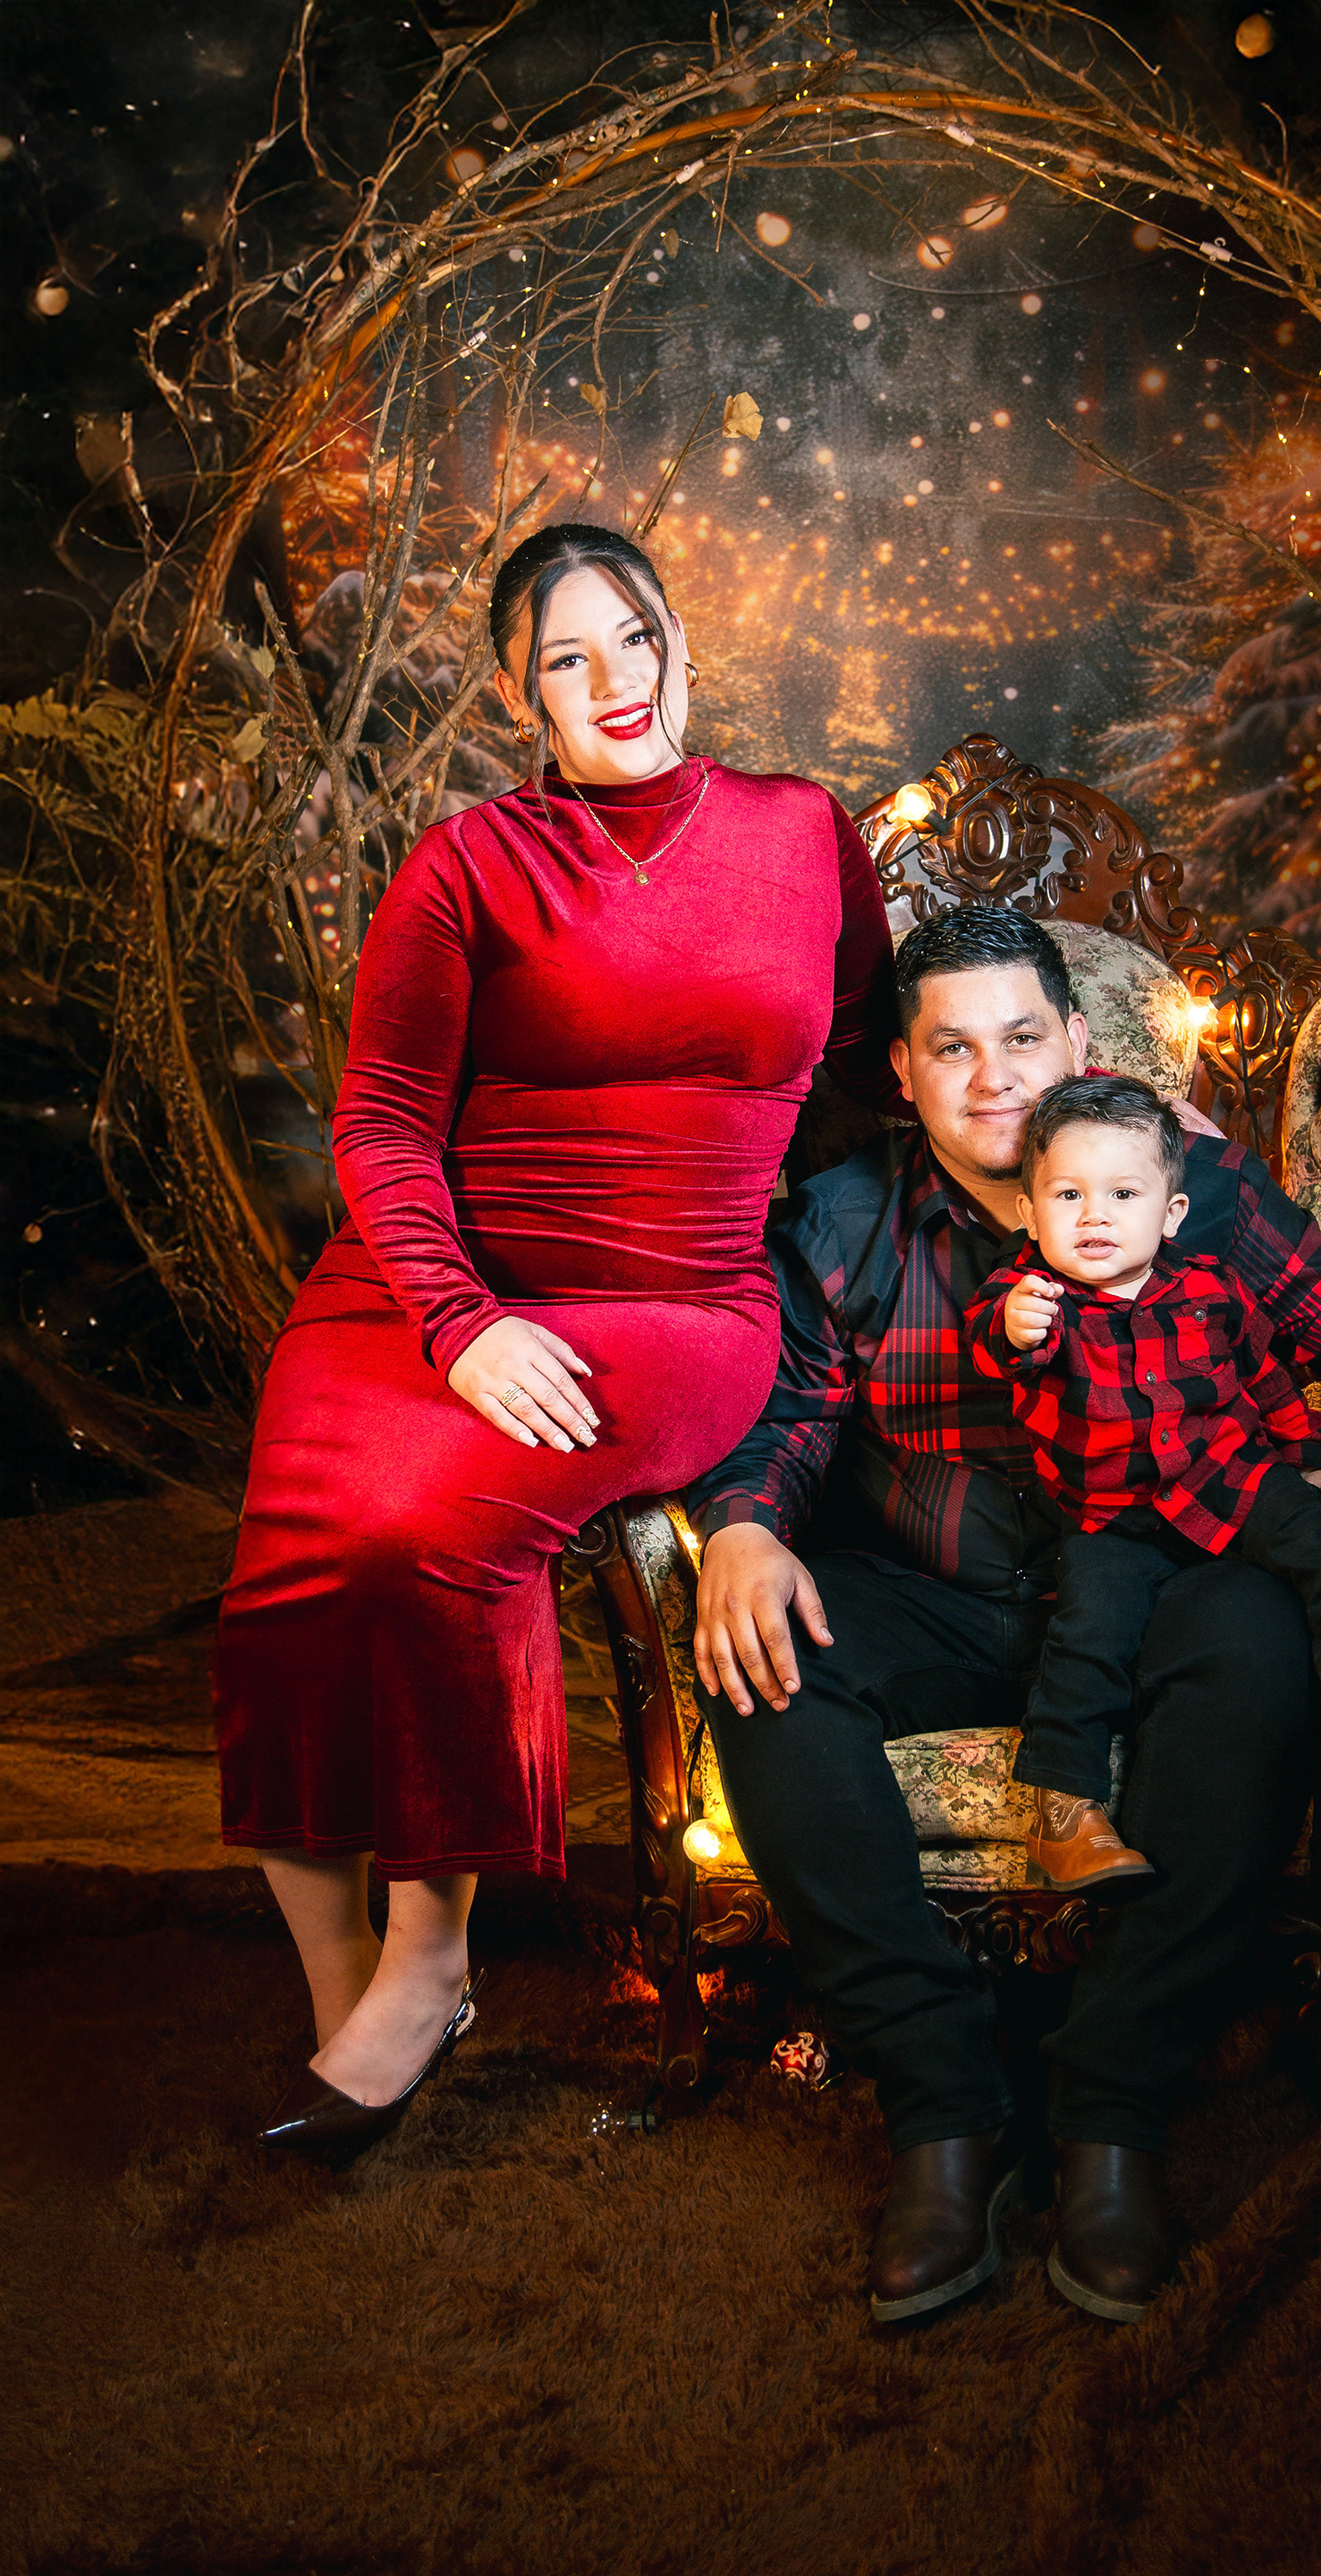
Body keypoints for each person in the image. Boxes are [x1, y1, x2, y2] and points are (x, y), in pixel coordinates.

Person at [690, 904, 1321, 2325]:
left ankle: (1112, 2110)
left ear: (1078, 1042)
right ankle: (945, 2111)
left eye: (1022, 1038)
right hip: (932, 1591)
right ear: (904, 1073)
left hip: (1158, 1584)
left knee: (1261, 1653)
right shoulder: (845, 1219)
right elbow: (787, 1419)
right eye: (953, 1049)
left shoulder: (1194, 1188)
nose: (994, 1076)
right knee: (766, 1668)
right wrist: (744, 1530)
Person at [215, 520, 897, 2157]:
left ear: (679, 643)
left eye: (634, 639)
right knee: (297, 1572)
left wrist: (1067, 1149)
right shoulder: (465, 864)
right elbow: (380, 1125)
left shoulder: (804, 833)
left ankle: (429, 1952)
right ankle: (350, 2002)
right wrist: (459, 1327)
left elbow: (870, 1075)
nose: (614, 682)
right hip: (426, 1295)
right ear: (522, 695)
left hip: (678, 1306)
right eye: (566, 660)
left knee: (422, 1533)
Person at [965, 1073, 1321, 1899]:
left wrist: (1308, 1454)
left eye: (1123, 1194)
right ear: (1030, 1212)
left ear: (1171, 1212)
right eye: (1067, 1195)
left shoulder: (1212, 1286)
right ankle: (1064, 1815)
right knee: (1087, 1641)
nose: (1094, 1216)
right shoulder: (1033, 1297)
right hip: (1111, 1517)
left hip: (1228, 1477)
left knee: (1312, 1533)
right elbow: (996, 1345)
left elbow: (1267, 1378)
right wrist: (1014, 1325)